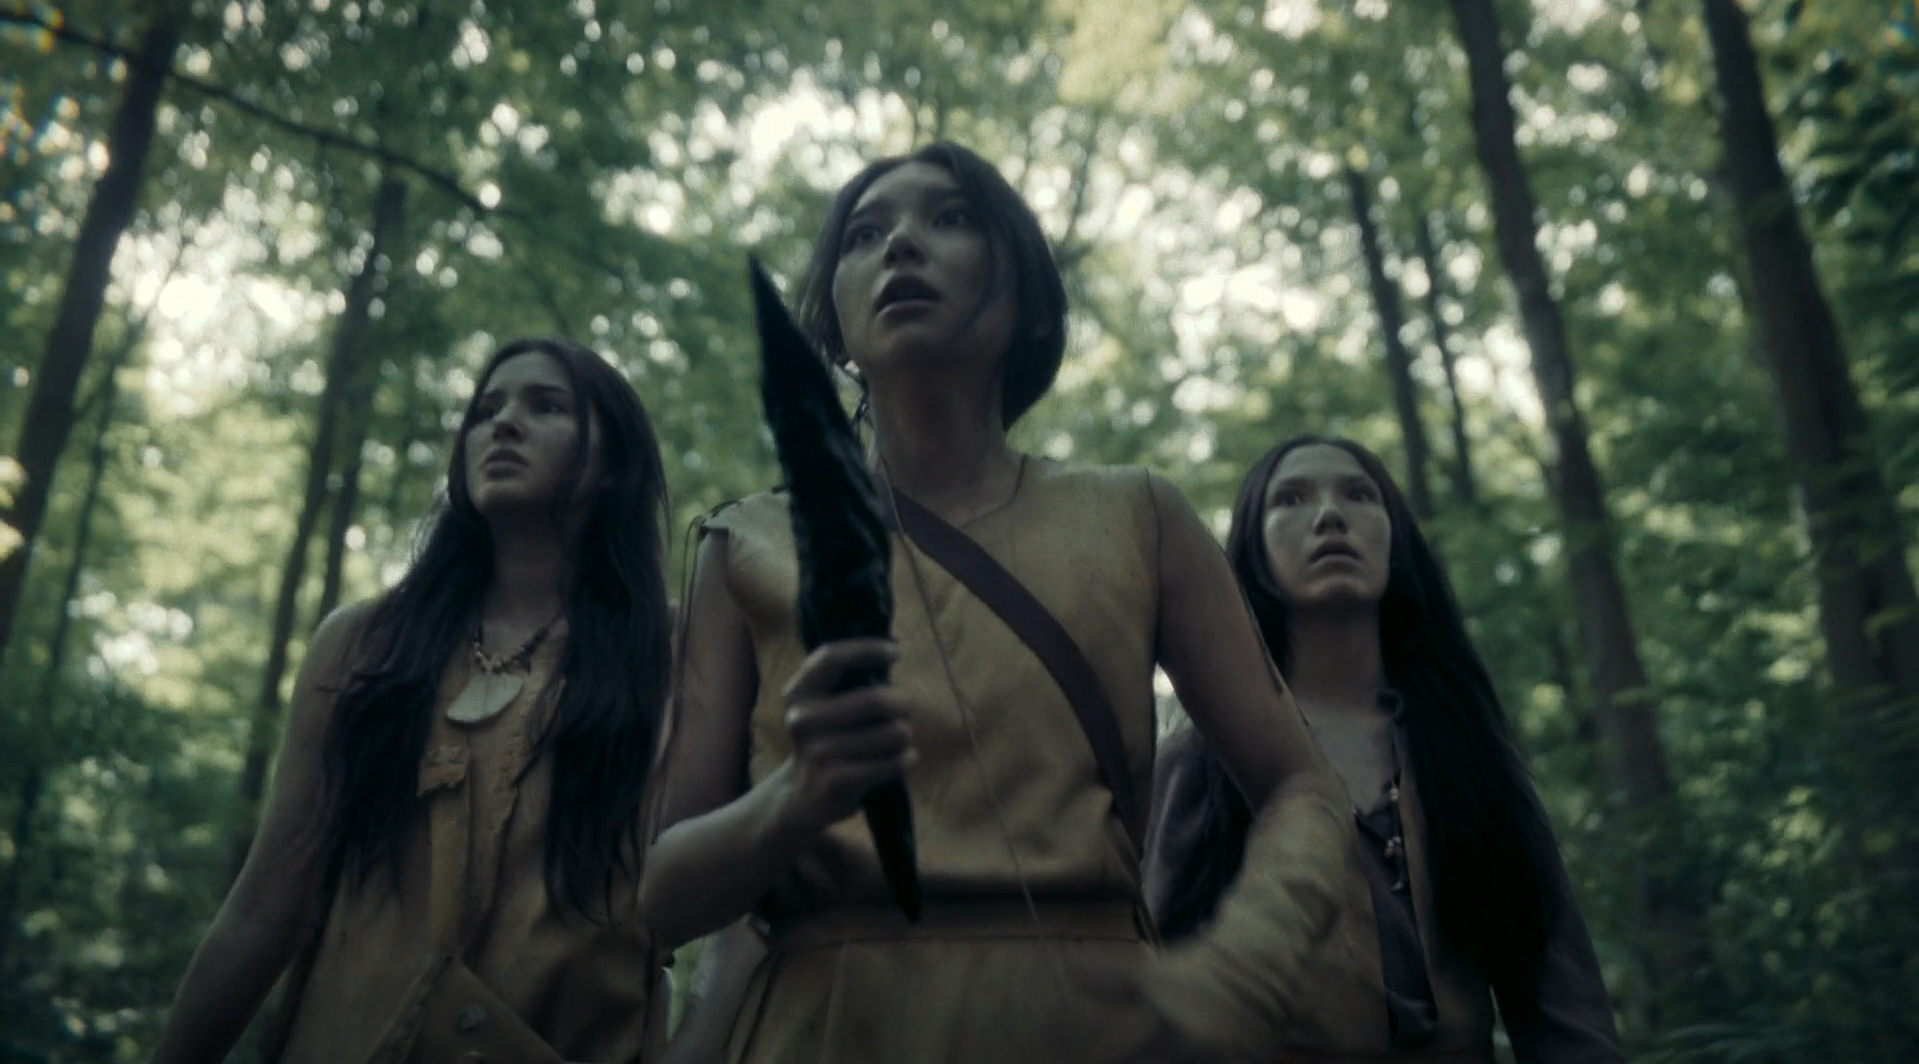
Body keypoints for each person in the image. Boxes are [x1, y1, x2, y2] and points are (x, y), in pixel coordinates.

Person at [639, 142, 1367, 1063]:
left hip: (1090, 1024)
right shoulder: (744, 546)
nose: (901, 244)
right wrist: (794, 795)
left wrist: (1239, 969)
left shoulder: (1137, 516)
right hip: (822, 1028)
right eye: (864, 234)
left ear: (1025, 303)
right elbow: (658, 901)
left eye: (950, 218)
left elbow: (1304, 785)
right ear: (832, 323)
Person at [152, 337, 675, 1063]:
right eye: (485, 411)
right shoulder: (363, 646)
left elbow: (723, 901)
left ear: (614, 464)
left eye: (547, 406)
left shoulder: (673, 657)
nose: (503, 424)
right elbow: (266, 907)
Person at [1143, 434, 1623, 1062]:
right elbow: (1160, 1005)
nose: (1329, 515)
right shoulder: (1202, 762)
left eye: (1359, 494)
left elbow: (1567, 1015)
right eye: (1291, 499)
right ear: (1254, 555)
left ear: (1395, 543)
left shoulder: (1473, 761)